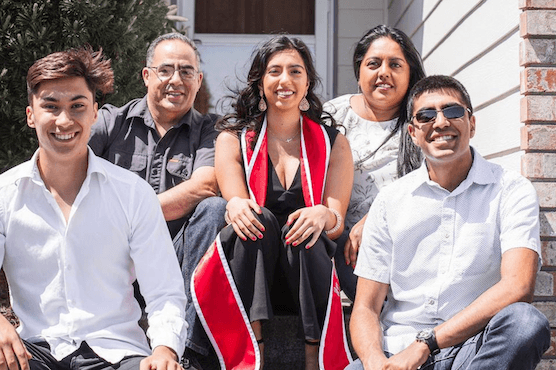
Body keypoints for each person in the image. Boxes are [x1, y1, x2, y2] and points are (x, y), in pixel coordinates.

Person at [0, 47, 188, 370]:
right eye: (51, 106)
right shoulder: (5, 195)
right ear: (31, 115)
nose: (64, 120)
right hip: (36, 353)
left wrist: (165, 351)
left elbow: (165, 292)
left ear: (95, 114)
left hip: (118, 354)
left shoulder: (133, 195)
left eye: (77, 106)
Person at [347, 75, 551, 370]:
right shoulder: (390, 200)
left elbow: (518, 286)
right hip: (398, 353)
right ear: (413, 133)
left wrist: (428, 343)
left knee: (525, 323)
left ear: (472, 123)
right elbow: (365, 307)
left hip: (473, 349)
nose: (441, 122)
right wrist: (375, 361)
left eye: (453, 111)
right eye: (426, 115)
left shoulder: (510, 189)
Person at [191, 36, 354, 370]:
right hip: (253, 274)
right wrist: (233, 204)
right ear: (261, 83)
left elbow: (336, 227)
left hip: (308, 276)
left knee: (304, 227)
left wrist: (324, 215)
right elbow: (237, 204)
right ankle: (256, 350)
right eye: (274, 71)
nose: (285, 80)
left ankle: (313, 356)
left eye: (295, 71)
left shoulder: (333, 142)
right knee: (256, 217)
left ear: (307, 82)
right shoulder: (232, 138)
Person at [88, 33, 227, 369]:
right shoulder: (110, 122)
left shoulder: (211, 130)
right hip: (115, 255)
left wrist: (132, 217)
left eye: (186, 71)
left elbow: (205, 184)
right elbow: (70, 170)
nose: (175, 80)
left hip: (179, 259)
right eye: (165, 70)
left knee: (215, 210)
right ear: (146, 75)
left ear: (199, 80)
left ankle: (187, 349)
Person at [323, 25, 425, 301]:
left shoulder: (423, 121)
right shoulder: (331, 116)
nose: (384, 73)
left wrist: (375, 221)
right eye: (374, 64)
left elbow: (431, 189)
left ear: (410, 74)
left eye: (395, 65)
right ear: (359, 73)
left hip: (406, 248)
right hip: (340, 249)